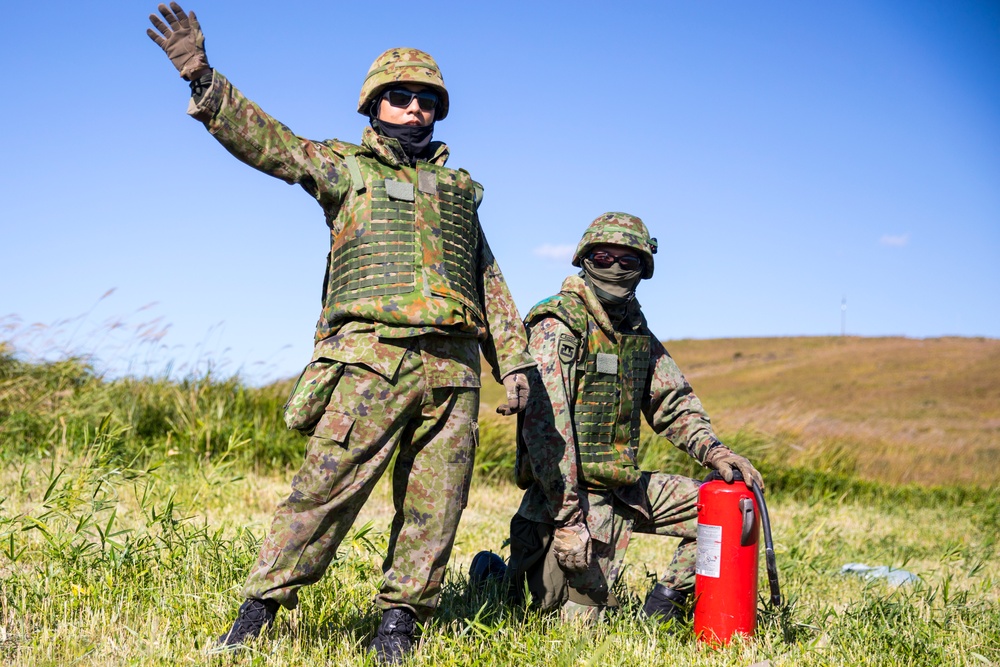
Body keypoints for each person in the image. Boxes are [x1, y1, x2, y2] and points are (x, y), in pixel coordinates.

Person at [146, 3, 534, 662]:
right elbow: (274, 145)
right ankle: (256, 615)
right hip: (372, 361)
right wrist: (205, 82)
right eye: (402, 97)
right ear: (375, 104)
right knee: (324, 491)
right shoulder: (345, 169)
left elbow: (488, 279)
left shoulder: (457, 192)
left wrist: (515, 360)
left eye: (428, 100)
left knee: (437, 507)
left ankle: (399, 623)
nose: (416, 109)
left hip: (456, 370)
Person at [471, 212, 764, 623]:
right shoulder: (558, 324)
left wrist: (714, 452)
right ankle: (492, 577)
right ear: (586, 259)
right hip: (565, 500)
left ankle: (664, 607)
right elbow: (545, 436)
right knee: (564, 624)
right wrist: (570, 520)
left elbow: (672, 401)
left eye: (628, 261)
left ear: (643, 269)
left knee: (729, 508)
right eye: (604, 256)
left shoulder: (637, 335)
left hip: (623, 489)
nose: (614, 267)